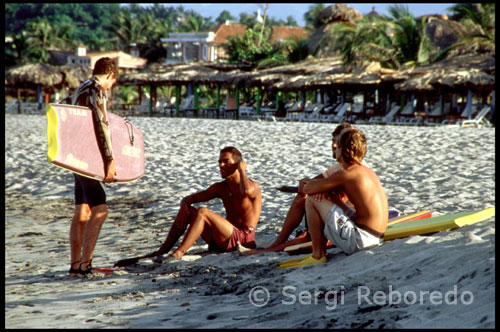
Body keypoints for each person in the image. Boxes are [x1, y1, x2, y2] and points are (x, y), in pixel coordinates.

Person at [242, 122, 358, 256]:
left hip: (346, 221)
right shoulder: (338, 167)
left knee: (310, 200)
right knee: (303, 197)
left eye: (337, 142)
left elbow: (341, 198)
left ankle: (273, 249)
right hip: (333, 213)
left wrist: (319, 189)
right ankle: (278, 243)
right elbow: (306, 184)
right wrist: (316, 187)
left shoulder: (351, 169)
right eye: (333, 140)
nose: (333, 145)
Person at [279, 127, 388, 268]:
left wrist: (314, 186)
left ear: (345, 150)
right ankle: (318, 251)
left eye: (338, 145)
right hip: (376, 238)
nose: (334, 147)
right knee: (322, 195)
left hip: (360, 241)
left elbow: (308, 189)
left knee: (312, 198)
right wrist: (324, 191)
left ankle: (317, 255)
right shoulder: (366, 171)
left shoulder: (347, 173)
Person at [154, 146, 262, 261]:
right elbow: (188, 199)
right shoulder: (221, 187)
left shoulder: (252, 186)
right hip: (223, 240)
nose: (221, 166)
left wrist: (241, 171)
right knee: (189, 211)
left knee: (203, 212)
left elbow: (245, 191)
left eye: (226, 162)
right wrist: (184, 205)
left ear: (238, 164)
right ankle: (163, 250)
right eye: (220, 162)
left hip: (243, 240)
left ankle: (178, 253)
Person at [68, 57, 119, 276]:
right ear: (109, 75)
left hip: (74, 155)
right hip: (88, 158)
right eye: (113, 82)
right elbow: (101, 124)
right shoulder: (97, 90)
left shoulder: (80, 88)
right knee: (100, 210)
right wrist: (109, 159)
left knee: (82, 211)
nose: (111, 87)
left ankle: (74, 265)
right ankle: (85, 265)